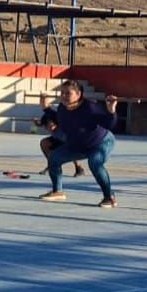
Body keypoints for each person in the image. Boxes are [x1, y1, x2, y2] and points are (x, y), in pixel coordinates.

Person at [39, 80, 118, 208]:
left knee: (95, 162)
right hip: (78, 145)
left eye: (68, 93)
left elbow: (109, 125)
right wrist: (46, 108)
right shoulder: (62, 108)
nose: (64, 96)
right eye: (62, 93)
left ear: (78, 94)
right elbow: (58, 119)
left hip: (101, 142)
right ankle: (57, 191)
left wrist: (111, 111)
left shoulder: (90, 107)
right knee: (54, 158)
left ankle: (109, 197)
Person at [33, 93, 84, 177]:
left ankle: (79, 168)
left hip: (68, 139)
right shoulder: (45, 115)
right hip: (57, 139)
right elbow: (41, 123)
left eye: (44, 101)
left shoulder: (53, 113)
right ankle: (52, 165)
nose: (42, 103)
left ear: (48, 103)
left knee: (71, 147)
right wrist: (37, 123)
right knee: (44, 143)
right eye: (41, 101)